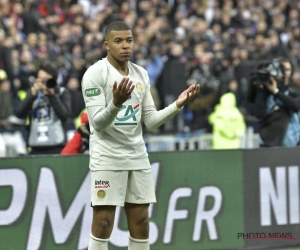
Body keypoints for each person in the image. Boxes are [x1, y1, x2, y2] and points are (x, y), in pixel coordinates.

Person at [81, 21, 200, 250]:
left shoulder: (141, 74)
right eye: (118, 41)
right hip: (107, 158)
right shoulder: (95, 74)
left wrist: (177, 104)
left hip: (137, 156)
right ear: (107, 45)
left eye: (129, 40)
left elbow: (151, 121)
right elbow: (97, 123)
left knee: (142, 222)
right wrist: (115, 103)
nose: (125, 45)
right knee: (103, 223)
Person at [14, 60, 71, 154]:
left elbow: (65, 115)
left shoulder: (62, 92)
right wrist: (32, 95)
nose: (44, 83)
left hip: (57, 147)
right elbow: (19, 113)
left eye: (47, 79)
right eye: (41, 79)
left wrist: (52, 96)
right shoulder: (33, 93)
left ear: (54, 79)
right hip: (35, 147)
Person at [249, 58, 300, 147]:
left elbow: (295, 106)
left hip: (291, 143)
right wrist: (260, 88)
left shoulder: (293, 92)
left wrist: (275, 91)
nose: (285, 73)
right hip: (269, 143)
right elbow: (258, 114)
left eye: (288, 70)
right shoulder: (264, 94)